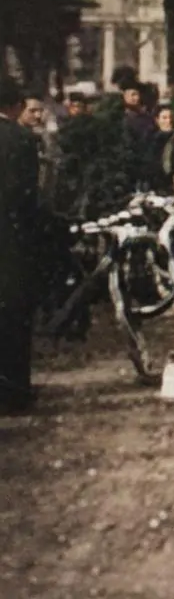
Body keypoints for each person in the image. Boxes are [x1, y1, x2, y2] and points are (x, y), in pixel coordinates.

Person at [0, 78, 42, 412]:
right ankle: (15, 392)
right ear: (15, 106)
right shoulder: (21, 139)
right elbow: (28, 196)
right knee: (14, 312)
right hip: (12, 236)